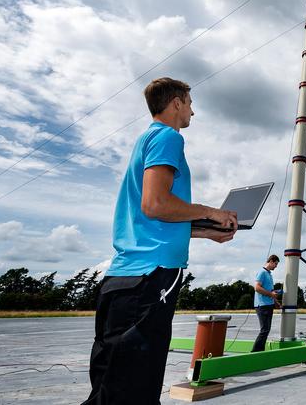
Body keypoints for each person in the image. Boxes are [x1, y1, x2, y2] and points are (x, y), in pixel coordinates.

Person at [83, 77, 238, 405]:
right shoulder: (169, 137)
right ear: (177, 103)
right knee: (134, 389)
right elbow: (155, 204)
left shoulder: (145, 139)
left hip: (126, 278)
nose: (193, 112)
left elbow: (151, 217)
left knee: (111, 386)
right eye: (190, 104)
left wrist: (204, 231)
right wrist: (213, 211)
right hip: (150, 279)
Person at [251, 254, 280, 352]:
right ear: (271, 261)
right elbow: (257, 288)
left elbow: (270, 291)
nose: (276, 266)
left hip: (269, 305)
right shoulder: (262, 272)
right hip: (262, 305)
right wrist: (271, 295)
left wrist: (276, 302)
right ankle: (255, 352)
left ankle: (260, 351)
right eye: (275, 264)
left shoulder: (269, 274)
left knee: (266, 330)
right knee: (264, 330)